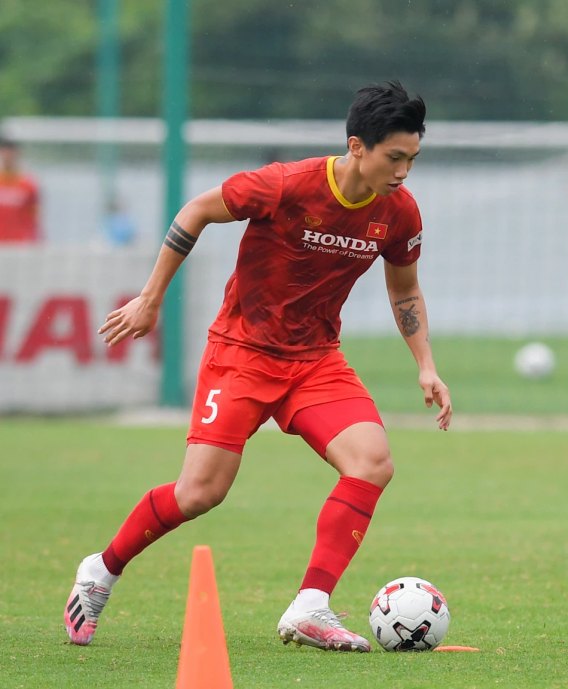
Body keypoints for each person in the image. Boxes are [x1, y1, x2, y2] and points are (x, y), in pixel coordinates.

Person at [63, 81, 452, 651]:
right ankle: (100, 570)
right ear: (357, 146)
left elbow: (405, 288)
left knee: (372, 462)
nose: (403, 172)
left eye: (412, 159)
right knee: (199, 493)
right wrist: (150, 298)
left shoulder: (398, 211)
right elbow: (197, 210)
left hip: (315, 360)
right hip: (241, 354)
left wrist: (426, 365)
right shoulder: (287, 184)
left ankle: (310, 606)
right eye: (395, 157)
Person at [0, 138, 40, 243]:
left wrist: (36, 242)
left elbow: (34, 218)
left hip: (20, 244)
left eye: (11, 153)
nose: (8, 157)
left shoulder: (28, 185)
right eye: (5, 153)